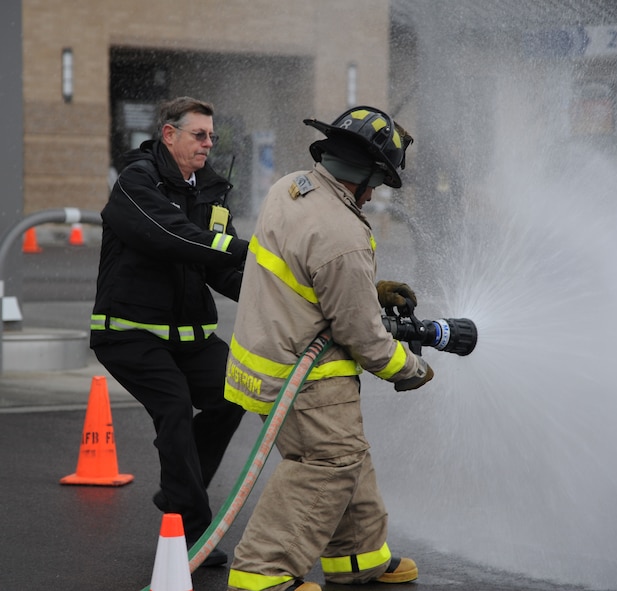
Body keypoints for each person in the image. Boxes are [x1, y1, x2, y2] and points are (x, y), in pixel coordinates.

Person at [223, 106, 434, 591]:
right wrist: (410, 368)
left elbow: (311, 273)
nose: (377, 192)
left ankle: (358, 559)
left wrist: (367, 288)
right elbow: (364, 337)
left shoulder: (293, 187)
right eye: (378, 181)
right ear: (366, 175)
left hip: (267, 358)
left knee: (347, 455)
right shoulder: (343, 234)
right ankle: (262, 574)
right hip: (308, 376)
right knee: (327, 464)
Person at [90, 96, 249, 567]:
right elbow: (174, 236)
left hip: (189, 337)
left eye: (212, 137)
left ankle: (180, 493)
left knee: (235, 393)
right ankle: (193, 533)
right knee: (175, 407)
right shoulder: (137, 183)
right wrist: (254, 250)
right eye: (199, 135)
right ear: (168, 134)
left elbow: (220, 272)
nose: (208, 144)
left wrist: (284, 291)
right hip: (129, 334)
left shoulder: (212, 191)